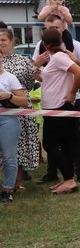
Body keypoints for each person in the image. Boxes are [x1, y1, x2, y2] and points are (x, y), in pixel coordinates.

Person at [32, 3, 80, 184]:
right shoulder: (48, 53)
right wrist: (38, 72)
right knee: (55, 143)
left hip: (62, 104)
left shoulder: (65, 52)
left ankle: (73, 175)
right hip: (51, 105)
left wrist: (73, 93)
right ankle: (63, 175)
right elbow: (51, 77)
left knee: (63, 141)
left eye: (55, 28)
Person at [38, 27, 80, 195]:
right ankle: (68, 178)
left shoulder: (59, 57)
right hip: (53, 108)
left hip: (59, 107)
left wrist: (72, 93)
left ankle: (69, 179)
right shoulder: (54, 59)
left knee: (50, 144)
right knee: (63, 144)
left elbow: (79, 72)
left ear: (45, 44)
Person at [0, 26, 40, 191]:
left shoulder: (23, 61)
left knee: (20, 147)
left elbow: (31, 84)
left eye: (3, 40)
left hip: (19, 106)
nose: (0, 43)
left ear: (11, 42)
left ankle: (16, 183)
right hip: (3, 111)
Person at [0, 54, 29, 203]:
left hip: (8, 120)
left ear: (1, 59)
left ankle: (7, 190)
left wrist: (8, 96)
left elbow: (23, 101)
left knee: (9, 156)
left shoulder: (10, 78)